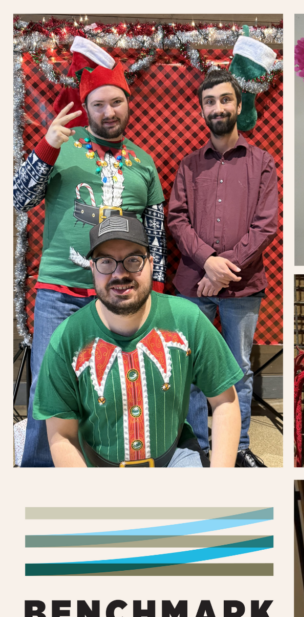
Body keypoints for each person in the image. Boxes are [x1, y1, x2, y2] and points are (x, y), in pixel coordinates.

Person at [13, 36, 165, 467]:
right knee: (50, 387)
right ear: (87, 106)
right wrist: (46, 146)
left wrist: (152, 292)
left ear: (127, 102)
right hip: (60, 293)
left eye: (116, 102)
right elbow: (19, 198)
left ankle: (101, 474)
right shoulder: (61, 144)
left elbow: (155, 236)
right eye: (98, 104)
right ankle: (40, 479)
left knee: (111, 387)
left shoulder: (144, 162)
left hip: (121, 296)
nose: (108, 112)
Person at [32, 216, 243, 468]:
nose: (120, 274)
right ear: (92, 269)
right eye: (106, 262)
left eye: (133, 260)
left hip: (175, 456)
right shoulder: (66, 339)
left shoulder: (188, 319)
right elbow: (62, 436)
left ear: (151, 264)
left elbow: (225, 402)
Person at [167, 67, 280, 468]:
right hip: (192, 285)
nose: (218, 107)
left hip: (243, 286)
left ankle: (241, 445)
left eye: (225, 99)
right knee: (190, 366)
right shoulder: (188, 165)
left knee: (240, 368)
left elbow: (266, 224)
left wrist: (223, 269)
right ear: (202, 110)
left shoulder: (263, 163)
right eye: (210, 102)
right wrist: (207, 264)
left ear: (238, 104)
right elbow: (176, 219)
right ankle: (197, 446)